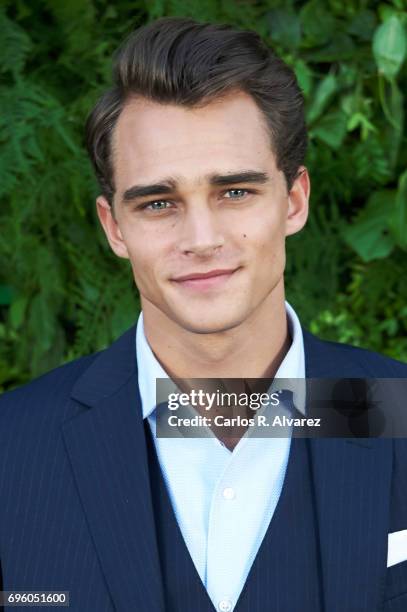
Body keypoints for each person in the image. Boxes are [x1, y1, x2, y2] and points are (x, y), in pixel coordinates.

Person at [1, 16, 406, 612]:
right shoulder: (12, 446)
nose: (201, 237)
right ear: (114, 227)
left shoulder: (396, 410)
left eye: (235, 191)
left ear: (293, 201)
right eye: (159, 202)